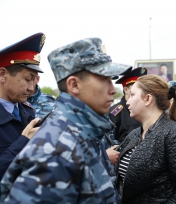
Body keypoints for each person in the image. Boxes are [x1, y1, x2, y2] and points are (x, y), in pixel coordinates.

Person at [0, 37, 132, 203]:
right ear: (74, 85)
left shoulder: (86, 132)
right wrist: (22, 142)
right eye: (104, 79)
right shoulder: (58, 148)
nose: (113, 90)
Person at [116, 74, 176, 203]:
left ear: (148, 99)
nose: (127, 101)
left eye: (133, 95)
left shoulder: (175, 134)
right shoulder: (134, 134)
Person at [0, 33, 45, 180]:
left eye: (34, 80)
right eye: (27, 79)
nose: (32, 88)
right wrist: (24, 142)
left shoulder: (27, 110)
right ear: (2, 74)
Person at [108, 67, 147, 143]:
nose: (142, 90)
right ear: (126, 90)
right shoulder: (116, 113)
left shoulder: (146, 109)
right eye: (138, 86)